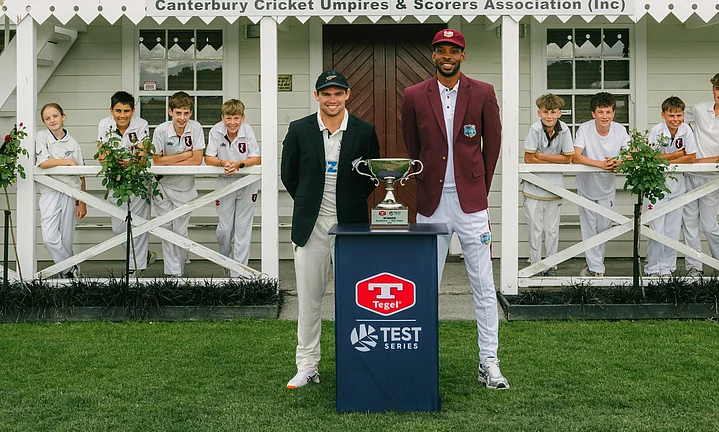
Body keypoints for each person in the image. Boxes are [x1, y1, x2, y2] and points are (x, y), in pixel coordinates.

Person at [401, 29, 507, 390]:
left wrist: (477, 185)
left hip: (471, 203)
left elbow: (492, 144)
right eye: (441, 50)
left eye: (454, 50)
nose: (447, 55)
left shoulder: (483, 92)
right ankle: (418, 359)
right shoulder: (413, 95)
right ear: (433, 55)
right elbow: (412, 145)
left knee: (483, 283)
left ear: (463, 55)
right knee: (425, 283)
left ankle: (488, 362)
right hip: (431, 204)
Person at [281, 70, 380, 389]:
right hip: (311, 229)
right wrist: (309, 202)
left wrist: (348, 203)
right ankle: (307, 365)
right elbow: (289, 175)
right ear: (317, 96)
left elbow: (372, 176)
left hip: (350, 227)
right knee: (310, 299)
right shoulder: (299, 129)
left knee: (356, 300)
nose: (332, 99)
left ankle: (358, 362)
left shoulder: (364, 131)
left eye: (338, 93)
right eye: (326, 93)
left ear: (348, 95)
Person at [682, 73, 719, 277]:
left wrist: (702, 161)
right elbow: (680, 121)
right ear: (713, 89)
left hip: (712, 178)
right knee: (689, 223)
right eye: (718, 88)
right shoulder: (700, 109)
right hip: (689, 174)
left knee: (708, 225)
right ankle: (694, 268)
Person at [97, 91, 156, 276]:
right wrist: (120, 162)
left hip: (138, 179)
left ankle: (135, 269)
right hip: (116, 181)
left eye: (126, 111)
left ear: (133, 110)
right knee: (119, 227)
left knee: (138, 224)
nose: (122, 115)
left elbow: (142, 154)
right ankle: (143, 256)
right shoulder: (104, 125)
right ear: (111, 110)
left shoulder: (141, 124)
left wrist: (129, 162)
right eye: (118, 111)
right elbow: (102, 155)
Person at [572, 92, 630, 277]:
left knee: (604, 227)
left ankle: (593, 264)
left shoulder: (620, 130)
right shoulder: (584, 129)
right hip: (587, 186)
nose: (604, 116)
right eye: (600, 112)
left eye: (608, 112)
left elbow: (630, 153)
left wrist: (617, 162)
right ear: (593, 113)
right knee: (589, 227)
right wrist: (601, 165)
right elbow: (575, 156)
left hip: (607, 187)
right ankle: (596, 269)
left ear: (613, 113)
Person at [204, 99, 262, 275]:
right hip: (225, 180)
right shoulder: (216, 130)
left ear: (242, 118)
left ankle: (238, 274)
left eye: (236, 118)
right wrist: (222, 163)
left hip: (246, 181)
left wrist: (239, 164)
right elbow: (208, 158)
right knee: (224, 229)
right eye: (228, 118)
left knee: (243, 228)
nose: (232, 123)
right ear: (223, 117)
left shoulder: (247, 130)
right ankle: (227, 263)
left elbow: (257, 158)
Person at [152, 91, 205, 277]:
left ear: (191, 113)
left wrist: (171, 160)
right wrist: (185, 155)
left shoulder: (196, 128)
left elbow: (197, 160)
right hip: (162, 186)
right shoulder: (161, 130)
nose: (182, 118)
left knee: (181, 231)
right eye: (178, 113)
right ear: (170, 112)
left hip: (185, 187)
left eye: (186, 113)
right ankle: (172, 274)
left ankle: (179, 271)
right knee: (166, 229)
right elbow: (157, 161)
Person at [522, 94, 574, 277]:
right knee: (534, 229)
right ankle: (535, 266)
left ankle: (551, 265)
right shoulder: (535, 129)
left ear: (559, 113)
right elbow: (528, 158)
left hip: (554, 186)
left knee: (551, 229)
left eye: (553, 112)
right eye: (545, 112)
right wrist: (554, 160)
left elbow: (568, 158)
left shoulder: (565, 129)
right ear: (539, 113)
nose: (549, 116)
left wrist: (542, 156)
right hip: (533, 187)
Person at [645, 96, 697, 277]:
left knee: (672, 231)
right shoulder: (656, 130)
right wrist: (676, 154)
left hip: (677, 188)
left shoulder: (686, 130)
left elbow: (691, 157)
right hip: (656, 188)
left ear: (683, 115)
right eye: (671, 115)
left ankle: (667, 269)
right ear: (663, 115)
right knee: (656, 230)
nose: (675, 119)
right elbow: (650, 158)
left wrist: (669, 157)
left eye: (679, 115)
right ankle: (653, 269)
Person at [36, 103, 87, 278]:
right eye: (47, 118)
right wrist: (68, 162)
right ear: (44, 122)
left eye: (55, 116)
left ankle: (66, 279)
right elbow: (43, 162)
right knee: (50, 238)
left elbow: (82, 175)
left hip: (71, 192)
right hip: (49, 190)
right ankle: (69, 268)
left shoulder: (73, 143)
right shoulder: (41, 137)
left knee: (66, 238)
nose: (52, 120)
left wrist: (82, 203)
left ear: (63, 117)